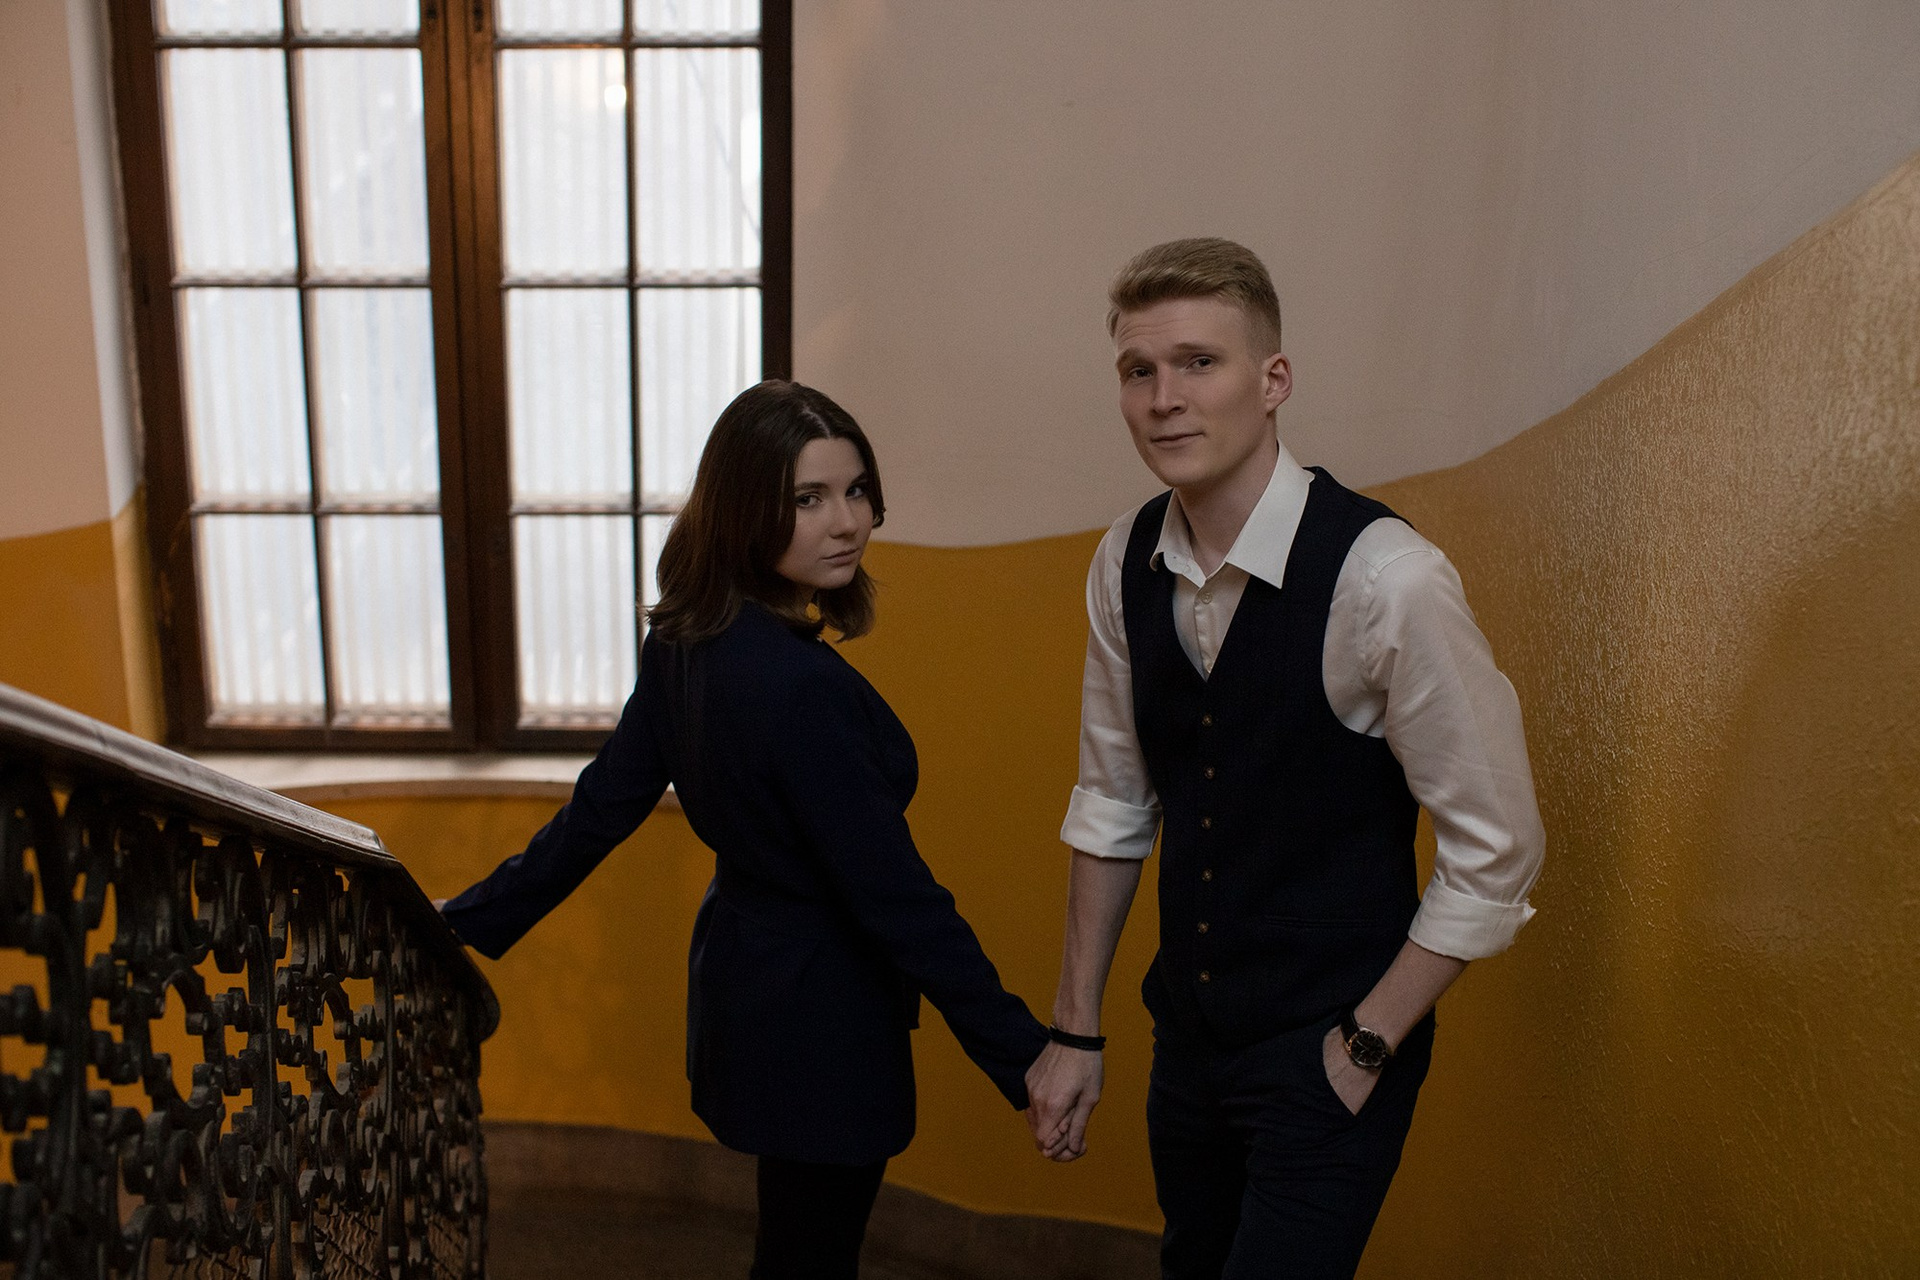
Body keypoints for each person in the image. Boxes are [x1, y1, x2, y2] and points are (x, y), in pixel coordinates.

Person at [439, 380, 1048, 1280]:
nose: (846, 522)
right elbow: (899, 901)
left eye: (855, 490)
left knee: (793, 1249)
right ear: (743, 506)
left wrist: (465, 919)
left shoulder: (687, 643)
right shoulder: (804, 692)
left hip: (747, 999)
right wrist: (1026, 1057)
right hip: (827, 1022)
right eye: (808, 499)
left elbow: (597, 812)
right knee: (811, 1258)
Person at [1024, 239, 1546, 1279]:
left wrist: (1365, 1044)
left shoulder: (1385, 578)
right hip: (1188, 1047)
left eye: (1198, 362)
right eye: (1139, 370)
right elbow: (1115, 801)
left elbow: (1498, 848)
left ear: (1273, 382)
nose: (1164, 399)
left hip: (1333, 1048)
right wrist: (1075, 1031)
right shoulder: (1124, 558)